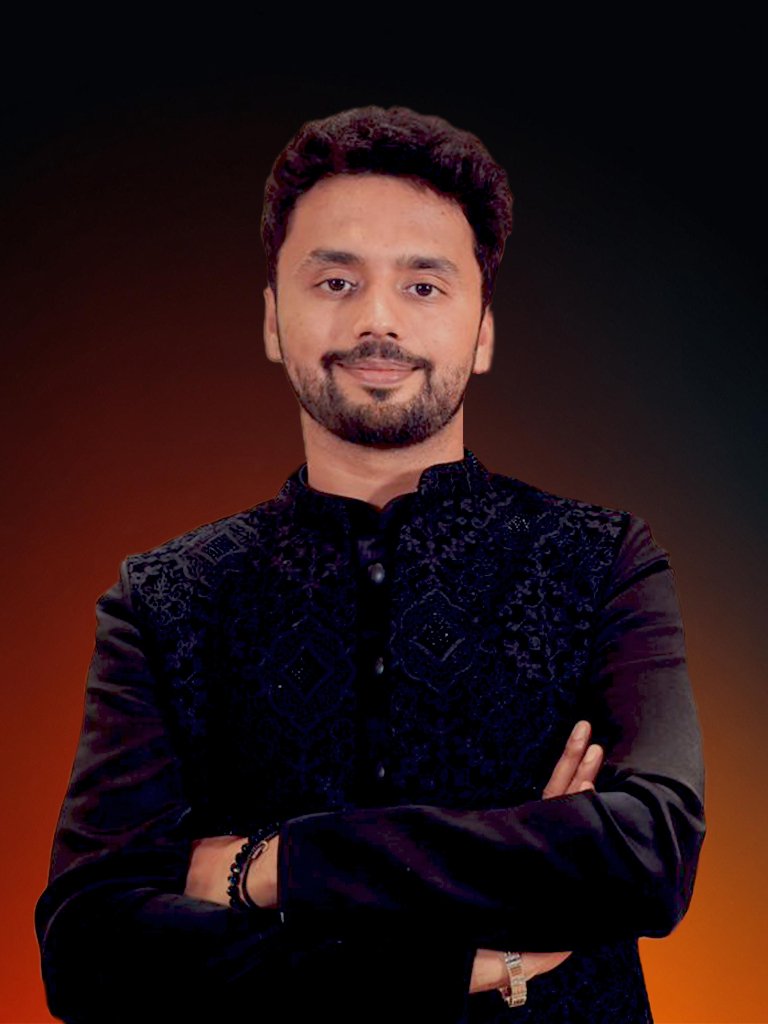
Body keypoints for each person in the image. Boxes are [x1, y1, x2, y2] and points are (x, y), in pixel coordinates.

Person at [35, 105, 706, 1023]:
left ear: (483, 330)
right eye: (336, 281)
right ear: (273, 320)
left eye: (423, 285)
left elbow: (649, 854)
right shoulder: (165, 599)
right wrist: (460, 951)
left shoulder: (601, 559)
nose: (377, 320)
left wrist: (274, 865)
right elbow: (89, 950)